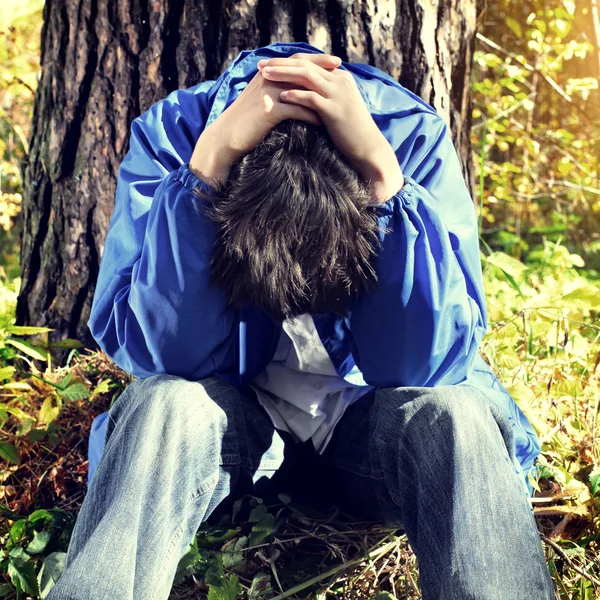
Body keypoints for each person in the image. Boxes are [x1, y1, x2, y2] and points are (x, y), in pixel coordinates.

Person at [47, 41, 555, 599]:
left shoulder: (411, 137)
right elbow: (163, 355)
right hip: (229, 426)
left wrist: (385, 182)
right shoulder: (173, 136)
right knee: (163, 403)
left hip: (370, 426)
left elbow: (427, 363)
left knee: (457, 414)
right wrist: (205, 173)